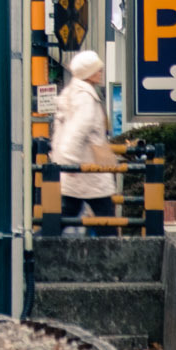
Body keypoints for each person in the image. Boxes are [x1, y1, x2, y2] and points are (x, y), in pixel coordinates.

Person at [53, 49, 120, 236]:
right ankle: (115, 259)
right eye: (97, 70)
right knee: (106, 218)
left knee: (67, 213)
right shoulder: (86, 97)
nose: (101, 73)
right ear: (89, 74)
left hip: (79, 170)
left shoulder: (72, 91)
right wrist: (70, 162)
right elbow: (77, 130)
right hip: (88, 169)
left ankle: (36, 245)